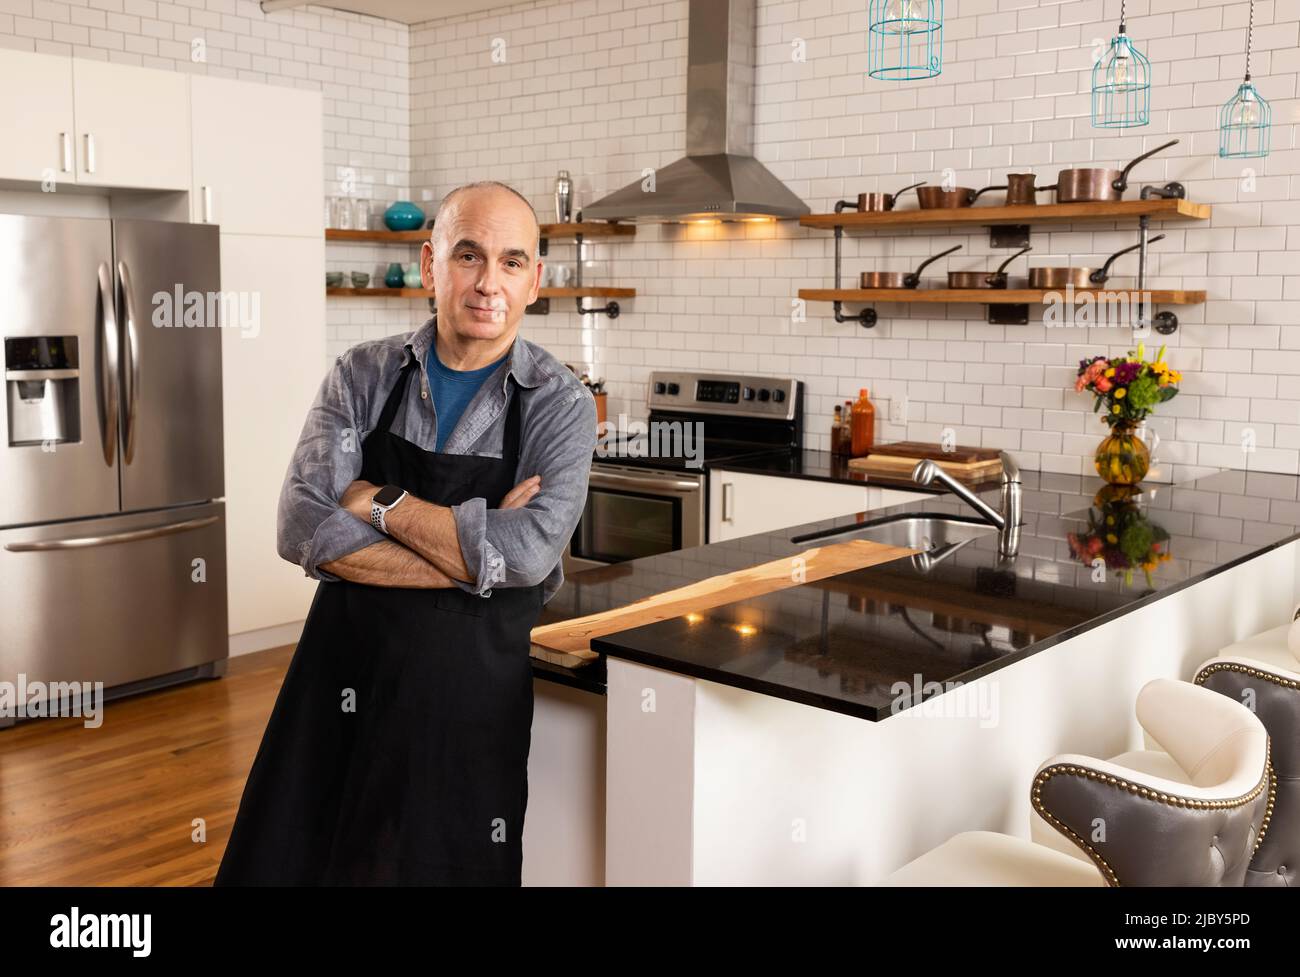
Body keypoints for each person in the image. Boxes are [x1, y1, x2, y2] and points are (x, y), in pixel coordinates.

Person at [213, 181, 596, 885]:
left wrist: (376, 499)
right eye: (468, 256)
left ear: (536, 280)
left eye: (512, 262)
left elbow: (532, 551)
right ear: (429, 265)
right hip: (338, 687)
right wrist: (472, 559)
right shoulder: (361, 375)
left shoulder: (562, 405)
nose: (488, 283)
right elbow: (301, 525)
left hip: (464, 713)